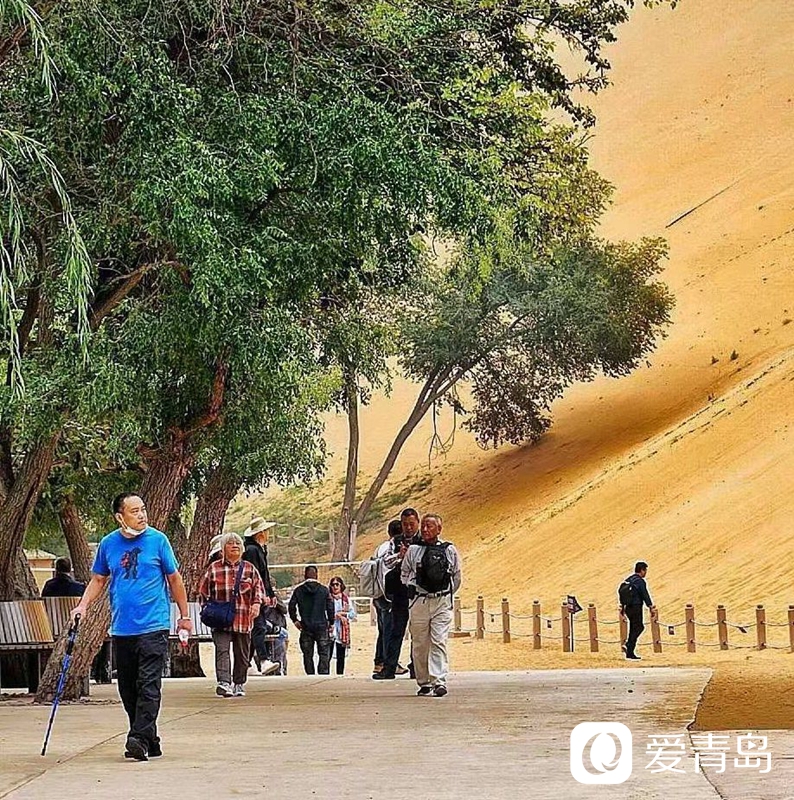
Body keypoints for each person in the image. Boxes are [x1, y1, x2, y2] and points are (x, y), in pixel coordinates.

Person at [71, 493, 192, 761]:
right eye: (135, 511)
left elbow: (174, 579)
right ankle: (150, 738)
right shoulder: (108, 544)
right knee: (128, 688)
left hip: (154, 624)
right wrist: (83, 605)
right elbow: (99, 579)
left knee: (149, 683)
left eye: (143, 509)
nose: (142, 515)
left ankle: (136, 738)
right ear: (119, 517)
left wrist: (184, 615)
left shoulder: (158, 541)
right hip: (122, 628)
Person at [198, 532, 265, 697]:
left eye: (237, 543)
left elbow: (259, 590)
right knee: (222, 650)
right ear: (222, 549)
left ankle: (239, 682)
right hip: (220, 620)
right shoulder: (214, 569)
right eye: (230, 543)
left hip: (243, 617)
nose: (234, 545)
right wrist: (210, 609)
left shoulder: (249, 568)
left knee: (242, 653)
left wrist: (256, 605)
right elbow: (202, 592)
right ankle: (224, 682)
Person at [401, 513, 461, 697]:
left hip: (441, 602)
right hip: (419, 602)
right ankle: (424, 681)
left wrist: (444, 594)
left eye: (430, 526)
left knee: (439, 640)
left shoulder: (449, 550)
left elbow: (456, 576)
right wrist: (413, 587)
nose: (426, 530)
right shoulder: (413, 550)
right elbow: (404, 573)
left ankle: (439, 680)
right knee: (420, 643)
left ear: (439, 529)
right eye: (424, 526)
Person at [243, 516, 279, 673]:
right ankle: (263, 660)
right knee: (259, 627)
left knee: (256, 628)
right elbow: (254, 575)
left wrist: (270, 593)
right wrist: (260, 594)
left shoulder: (260, 549)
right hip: (252, 596)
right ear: (260, 533)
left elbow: (265, 575)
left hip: (260, 594)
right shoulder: (251, 551)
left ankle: (246, 663)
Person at [373, 534, 411, 681]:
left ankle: (385, 663)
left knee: (387, 631)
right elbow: (386, 565)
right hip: (392, 597)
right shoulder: (388, 549)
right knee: (391, 631)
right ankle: (388, 665)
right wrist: (399, 556)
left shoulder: (420, 544)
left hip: (394, 596)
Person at [288, 565, 334, 675]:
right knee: (323, 653)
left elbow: (291, 606)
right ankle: (323, 673)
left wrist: (295, 620)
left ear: (305, 575)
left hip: (305, 625)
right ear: (317, 575)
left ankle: (310, 674)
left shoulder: (299, 590)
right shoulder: (324, 590)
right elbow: (330, 606)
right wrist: (331, 621)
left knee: (307, 654)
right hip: (321, 625)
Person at [372, 520, 402, 677]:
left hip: (378, 593)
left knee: (383, 630)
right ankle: (389, 662)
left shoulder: (380, 547)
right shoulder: (390, 548)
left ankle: (379, 661)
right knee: (390, 630)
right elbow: (386, 570)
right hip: (387, 594)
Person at [619, 561, 657, 660]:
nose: (646, 573)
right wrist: (651, 607)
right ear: (642, 570)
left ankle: (630, 653)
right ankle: (628, 645)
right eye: (645, 570)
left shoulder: (629, 579)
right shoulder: (640, 581)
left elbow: (623, 594)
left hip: (628, 608)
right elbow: (645, 595)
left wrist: (622, 608)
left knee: (633, 628)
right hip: (636, 607)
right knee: (639, 627)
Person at [328, 576, 356, 675]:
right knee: (328, 654)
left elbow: (352, 614)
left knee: (341, 655)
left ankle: (340, 674)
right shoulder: (328, 599)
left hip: (342, 630)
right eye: (333, 585)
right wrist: (334, 615)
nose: (335, 587)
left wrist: (343, 615)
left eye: (337, 584)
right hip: (330, 629)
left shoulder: (346, 600)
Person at [264, 587, 289, 676]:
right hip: (266, 628)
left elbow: (284, 609)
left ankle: (281, 670)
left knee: (280, 651)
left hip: (278, 627)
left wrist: (276, 601)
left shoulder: (275, 598)